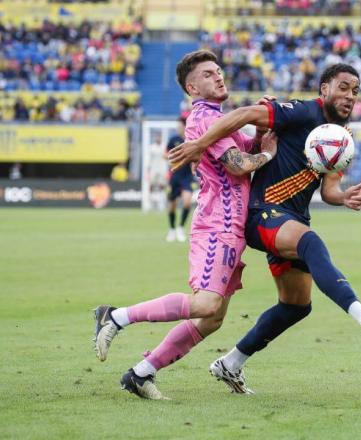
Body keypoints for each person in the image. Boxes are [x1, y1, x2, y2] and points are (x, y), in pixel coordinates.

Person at [169, 63, 361, 394]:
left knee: (296, 305)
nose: (350, 96)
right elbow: (246, 113)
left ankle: (230, 363)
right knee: (312, 244)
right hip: (262, 214)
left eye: (355, 91)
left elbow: (329, 188)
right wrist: (201, 143)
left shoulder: (341, 137)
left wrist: (343, 197)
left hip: (291, 219)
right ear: (324, 90)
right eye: (344, 87)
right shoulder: (302, 112)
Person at [92, 50, 277, 400]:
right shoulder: (204, 120)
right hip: (217, 224)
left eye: (219, 71)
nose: (219, 76)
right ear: (192, 86)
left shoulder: (218, 119)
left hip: (232, 228)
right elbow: (239, 166)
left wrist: (261, 134)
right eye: (209, 74)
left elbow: (241, 154)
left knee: (214, 317)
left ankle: (140, 373)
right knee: (206, 305)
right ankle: (115, 317)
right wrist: (267, 152)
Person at [164, 116, 196, 242]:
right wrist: (173, 157)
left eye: (179, 125)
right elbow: (165, 154)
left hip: (187, 176)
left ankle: (180, 228)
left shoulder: (191, 139)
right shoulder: (173, 139)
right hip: (175, 176)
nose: (178, 127)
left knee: (187, 201)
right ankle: (172, 229)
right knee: (172, 205)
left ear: (185, 125)